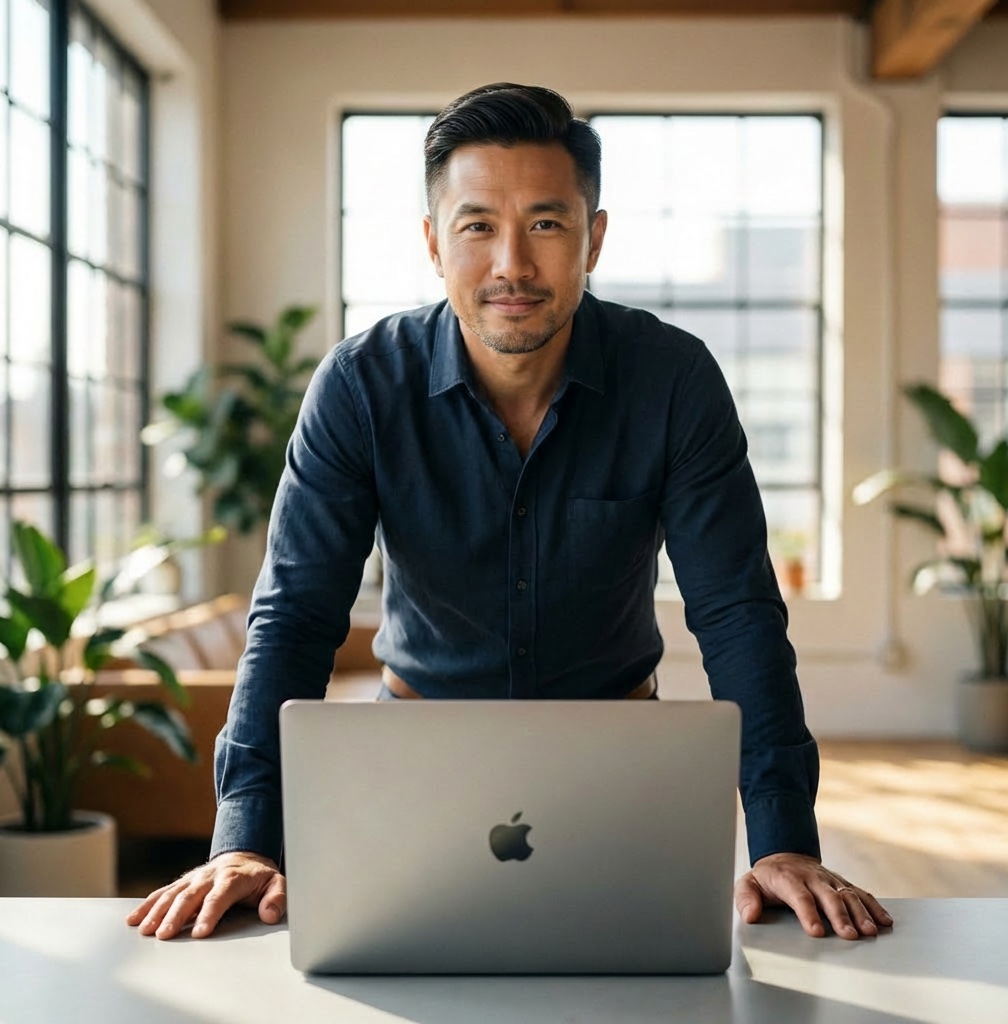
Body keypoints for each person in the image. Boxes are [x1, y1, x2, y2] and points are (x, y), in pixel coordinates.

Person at [127, 83, 892, 944]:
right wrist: (246, 840)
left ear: (593, 238)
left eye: (547, 224)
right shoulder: (360, 386)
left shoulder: (673, 381)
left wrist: (784, 840)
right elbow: (296, 615)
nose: (511, 266)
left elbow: (737, 612)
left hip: (618, 767)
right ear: (433, 241)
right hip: (415, 765)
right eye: (478, 225)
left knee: (645, 993)